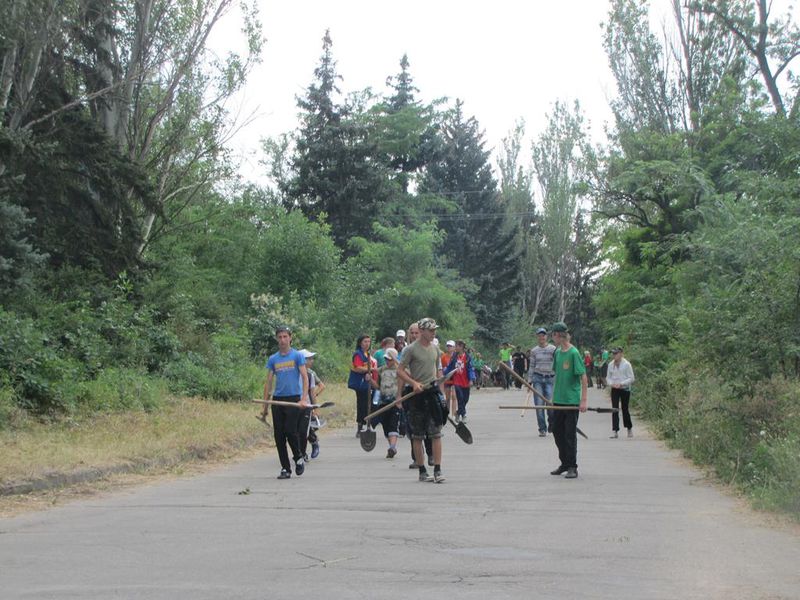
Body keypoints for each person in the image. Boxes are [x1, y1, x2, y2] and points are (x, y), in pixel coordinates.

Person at [398, 317, 446, 483]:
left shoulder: (435, 349)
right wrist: (413, 383)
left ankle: (438, 469)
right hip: (416, 396)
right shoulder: (410, 350)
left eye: (434, 330)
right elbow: (400, 371)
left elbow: (437, 371)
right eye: (431, 330)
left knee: (436, 433)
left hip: (432, 394)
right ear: (423, 331)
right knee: (417, 435)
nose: (434, 333)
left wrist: (441, 392)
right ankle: (422, 470)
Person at [260, 326, 310, 480]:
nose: (282, 340)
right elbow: (268, 383)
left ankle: (298, 457)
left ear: (290, 338)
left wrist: (303, 398)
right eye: (280, 337)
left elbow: (304, 377)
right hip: (278, 399)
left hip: (293, 399)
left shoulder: (296, 356)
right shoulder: (273, 359)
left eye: (285, 337)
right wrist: (265, 406)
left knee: (290, 431)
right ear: (277, 339)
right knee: (279, 435)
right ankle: (285, 468)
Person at [548, 322, 587, 479]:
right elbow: (557, 376)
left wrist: (583, 400)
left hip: (571, 400)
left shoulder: (573, 353)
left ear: (558, 335)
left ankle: (572, 466)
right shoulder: (557, 352)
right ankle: (564, 463)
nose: (553, 338)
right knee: (557, 432)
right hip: (558, 400)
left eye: (553, 335)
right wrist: (552, 397)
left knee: (569, 434)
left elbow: (583, 377)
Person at [527, 327, 556, 437]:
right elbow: (532, 366)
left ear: (546, 337)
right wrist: (529, 381)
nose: (541, 337)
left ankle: (551, 424)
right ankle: (542, 429)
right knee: (539, 405)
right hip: (538, 378)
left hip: (550, 378)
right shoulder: (534, 351)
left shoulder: (553, 349)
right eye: (539, 335)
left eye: (543, 335)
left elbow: (557, 364)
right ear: (537, 337)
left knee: (550, 404)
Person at [348, 334, 377, 437]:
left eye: (369, 341)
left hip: (368, 383)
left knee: (369, 403)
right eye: (365, 341)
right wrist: (371, 369)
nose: (367, 344)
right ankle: (360, 427)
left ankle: (367, 424)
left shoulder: (367, 354)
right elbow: (358, 367)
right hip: (360, 383)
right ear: (360, 343)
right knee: (362, 404)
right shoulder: (358, 354)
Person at [377, 347, 402, 458]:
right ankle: (391, 447)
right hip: (383, 402)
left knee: (393, 424)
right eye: (386, 359)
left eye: (390, 359)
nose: (387, 361)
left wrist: (397, 361)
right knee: (386, 426)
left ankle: (392, 447)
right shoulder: (382, 370)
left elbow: (408, 373)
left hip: (394, 402)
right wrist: (370, 379)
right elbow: (377, 386)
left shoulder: (399, 370)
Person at [443, 340, 476, 423]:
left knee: (465, 399)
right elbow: (450, 367)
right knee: (460, 397)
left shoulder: (468, 357)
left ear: (461, 347)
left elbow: (470, 369)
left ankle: (458, 413)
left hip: (466, 381)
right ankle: (464, 415)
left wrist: (471, 379)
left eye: (457, 346)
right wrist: (444, 374)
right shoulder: (454, 357)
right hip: (457, 381)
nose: (455, 348)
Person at [301, 349, 325, 460]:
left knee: (305, 429)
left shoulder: (310, 374)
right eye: (309, 359)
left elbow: (314, 391)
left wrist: (315, 407)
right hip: (294, 404)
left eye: (311, 358)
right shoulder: (293, 373)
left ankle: (311, 444)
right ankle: (301, 452)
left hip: (307, 405)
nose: (311, 361)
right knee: (296, 430)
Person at [607, 347, 635, 438]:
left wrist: (622, 384)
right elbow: (608, 377)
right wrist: (611, 384)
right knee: (614, 409)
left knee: (625, 409)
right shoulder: (611, 364)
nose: (615, 355)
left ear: (621, 354)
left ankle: (629, 428)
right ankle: (615, 430)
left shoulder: (626, 364)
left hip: (625, 388)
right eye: (613, 354)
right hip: (615, 388)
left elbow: (631, 378)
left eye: (616, 353)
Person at [442, 340, 457, 418]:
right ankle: (447, 414)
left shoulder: (456, 357)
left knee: (454, 396)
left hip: (455, 379)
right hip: (447, 379)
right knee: (447, 397)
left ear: (454, 348)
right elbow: (442, 368)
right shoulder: (443, 357)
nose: (449, 347)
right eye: (448, 346)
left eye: (450, 346)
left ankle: (454, 414)